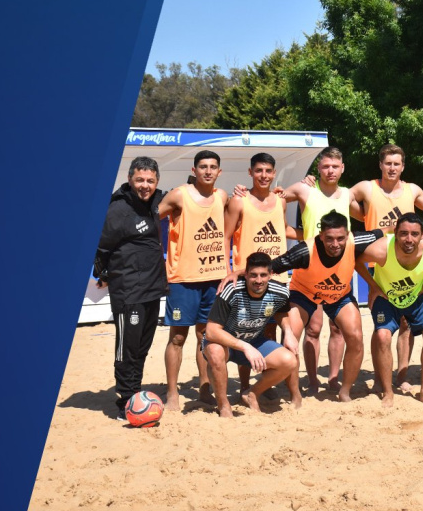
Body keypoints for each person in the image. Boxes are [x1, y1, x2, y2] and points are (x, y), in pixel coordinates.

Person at [271, 211, 383, 404]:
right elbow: (269, 267)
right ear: (321, 236)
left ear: (348, 235)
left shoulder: (356, 240)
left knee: (356, 337)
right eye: (329, 238)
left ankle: (345, 391)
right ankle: (295, 394)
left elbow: (386, 231)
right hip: (304, 292)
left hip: (339, 295)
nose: (335, 244)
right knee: (291, 339)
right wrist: (238, 273)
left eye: (340, 238)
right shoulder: (305, 250)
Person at [93, 157, 168, 420]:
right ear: (129, 179)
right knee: (127, 348)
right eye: (140, 180)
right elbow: (100, 246)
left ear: (156, 181)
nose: (145, 185)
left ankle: (134, 392)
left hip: (152, 289)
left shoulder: (156, 201)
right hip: (129, 292)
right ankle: (125, 400)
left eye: (150, 180)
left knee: (142, 348)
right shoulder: (118, 209)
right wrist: (102, 273)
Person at [350, 144, 423, 386]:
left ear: (403, 166)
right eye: (388, 163)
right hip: (377, 262)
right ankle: (380, 378)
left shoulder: (412, 190)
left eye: (397, 164)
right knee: (381, 327)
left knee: (406, 323)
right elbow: (339, 197)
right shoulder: (367, 187)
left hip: (405, 261)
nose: (392, 168)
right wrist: (362, 215)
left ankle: (402, 376)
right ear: (380, 165)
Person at [157, 150, 230, 411]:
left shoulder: (222, 196)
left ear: (219, 171)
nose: (208, 171)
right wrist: (157, 254)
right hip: (183, 279)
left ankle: (205, 388)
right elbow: (150, 220)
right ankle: (172, 393)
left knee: (205, 336)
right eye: (203, 166)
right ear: (194, 170)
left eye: (213, 167)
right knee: (178, 338)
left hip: (214, 278)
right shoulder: (179, 195)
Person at [281, 147, 356, 393]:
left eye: (335, 166)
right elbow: (274, 197)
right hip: (310, 269)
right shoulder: (305, 190)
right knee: (312, 329)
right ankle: (312, 380)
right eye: (325, 166)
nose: (330, 170)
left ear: (342, 168)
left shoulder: (348, 195)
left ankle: (333, 378)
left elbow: (374, 213)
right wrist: (295, 232)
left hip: (339, 269)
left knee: (337, 328)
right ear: (318, 169)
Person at [356, 213, 423, 405]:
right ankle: (388, 392)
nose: (409, 239)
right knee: (382, 336)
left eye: (414, 234)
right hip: (387, 297)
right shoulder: (381, 249)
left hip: (417, 295)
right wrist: (373, 286)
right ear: (395, 233)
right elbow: (355, 259)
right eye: (404, 233)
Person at [202, 253, 299, 418]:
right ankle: (224, 405)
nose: (258, 280)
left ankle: (252, 393)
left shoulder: (280, 292)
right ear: (245, 274)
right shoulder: (232, 290)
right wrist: (245, 346)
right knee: (215, 353)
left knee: (289, 361)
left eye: (263, 275)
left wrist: (288, 332)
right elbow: (211, 331)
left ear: (270, 275)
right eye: (253, 275)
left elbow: (281, 312)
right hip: (226, 343)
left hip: (255, 340)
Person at [224, 152, 295, 279]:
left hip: (278, 276)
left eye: (268, 171)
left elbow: (283, 230)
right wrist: (227, 272)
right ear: (250, 172)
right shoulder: (239, 201)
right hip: (248, 276)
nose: (264, 175)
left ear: (274, 173)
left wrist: (317, 234)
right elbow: (225, 237)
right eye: (258, 171)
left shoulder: (281, 201)